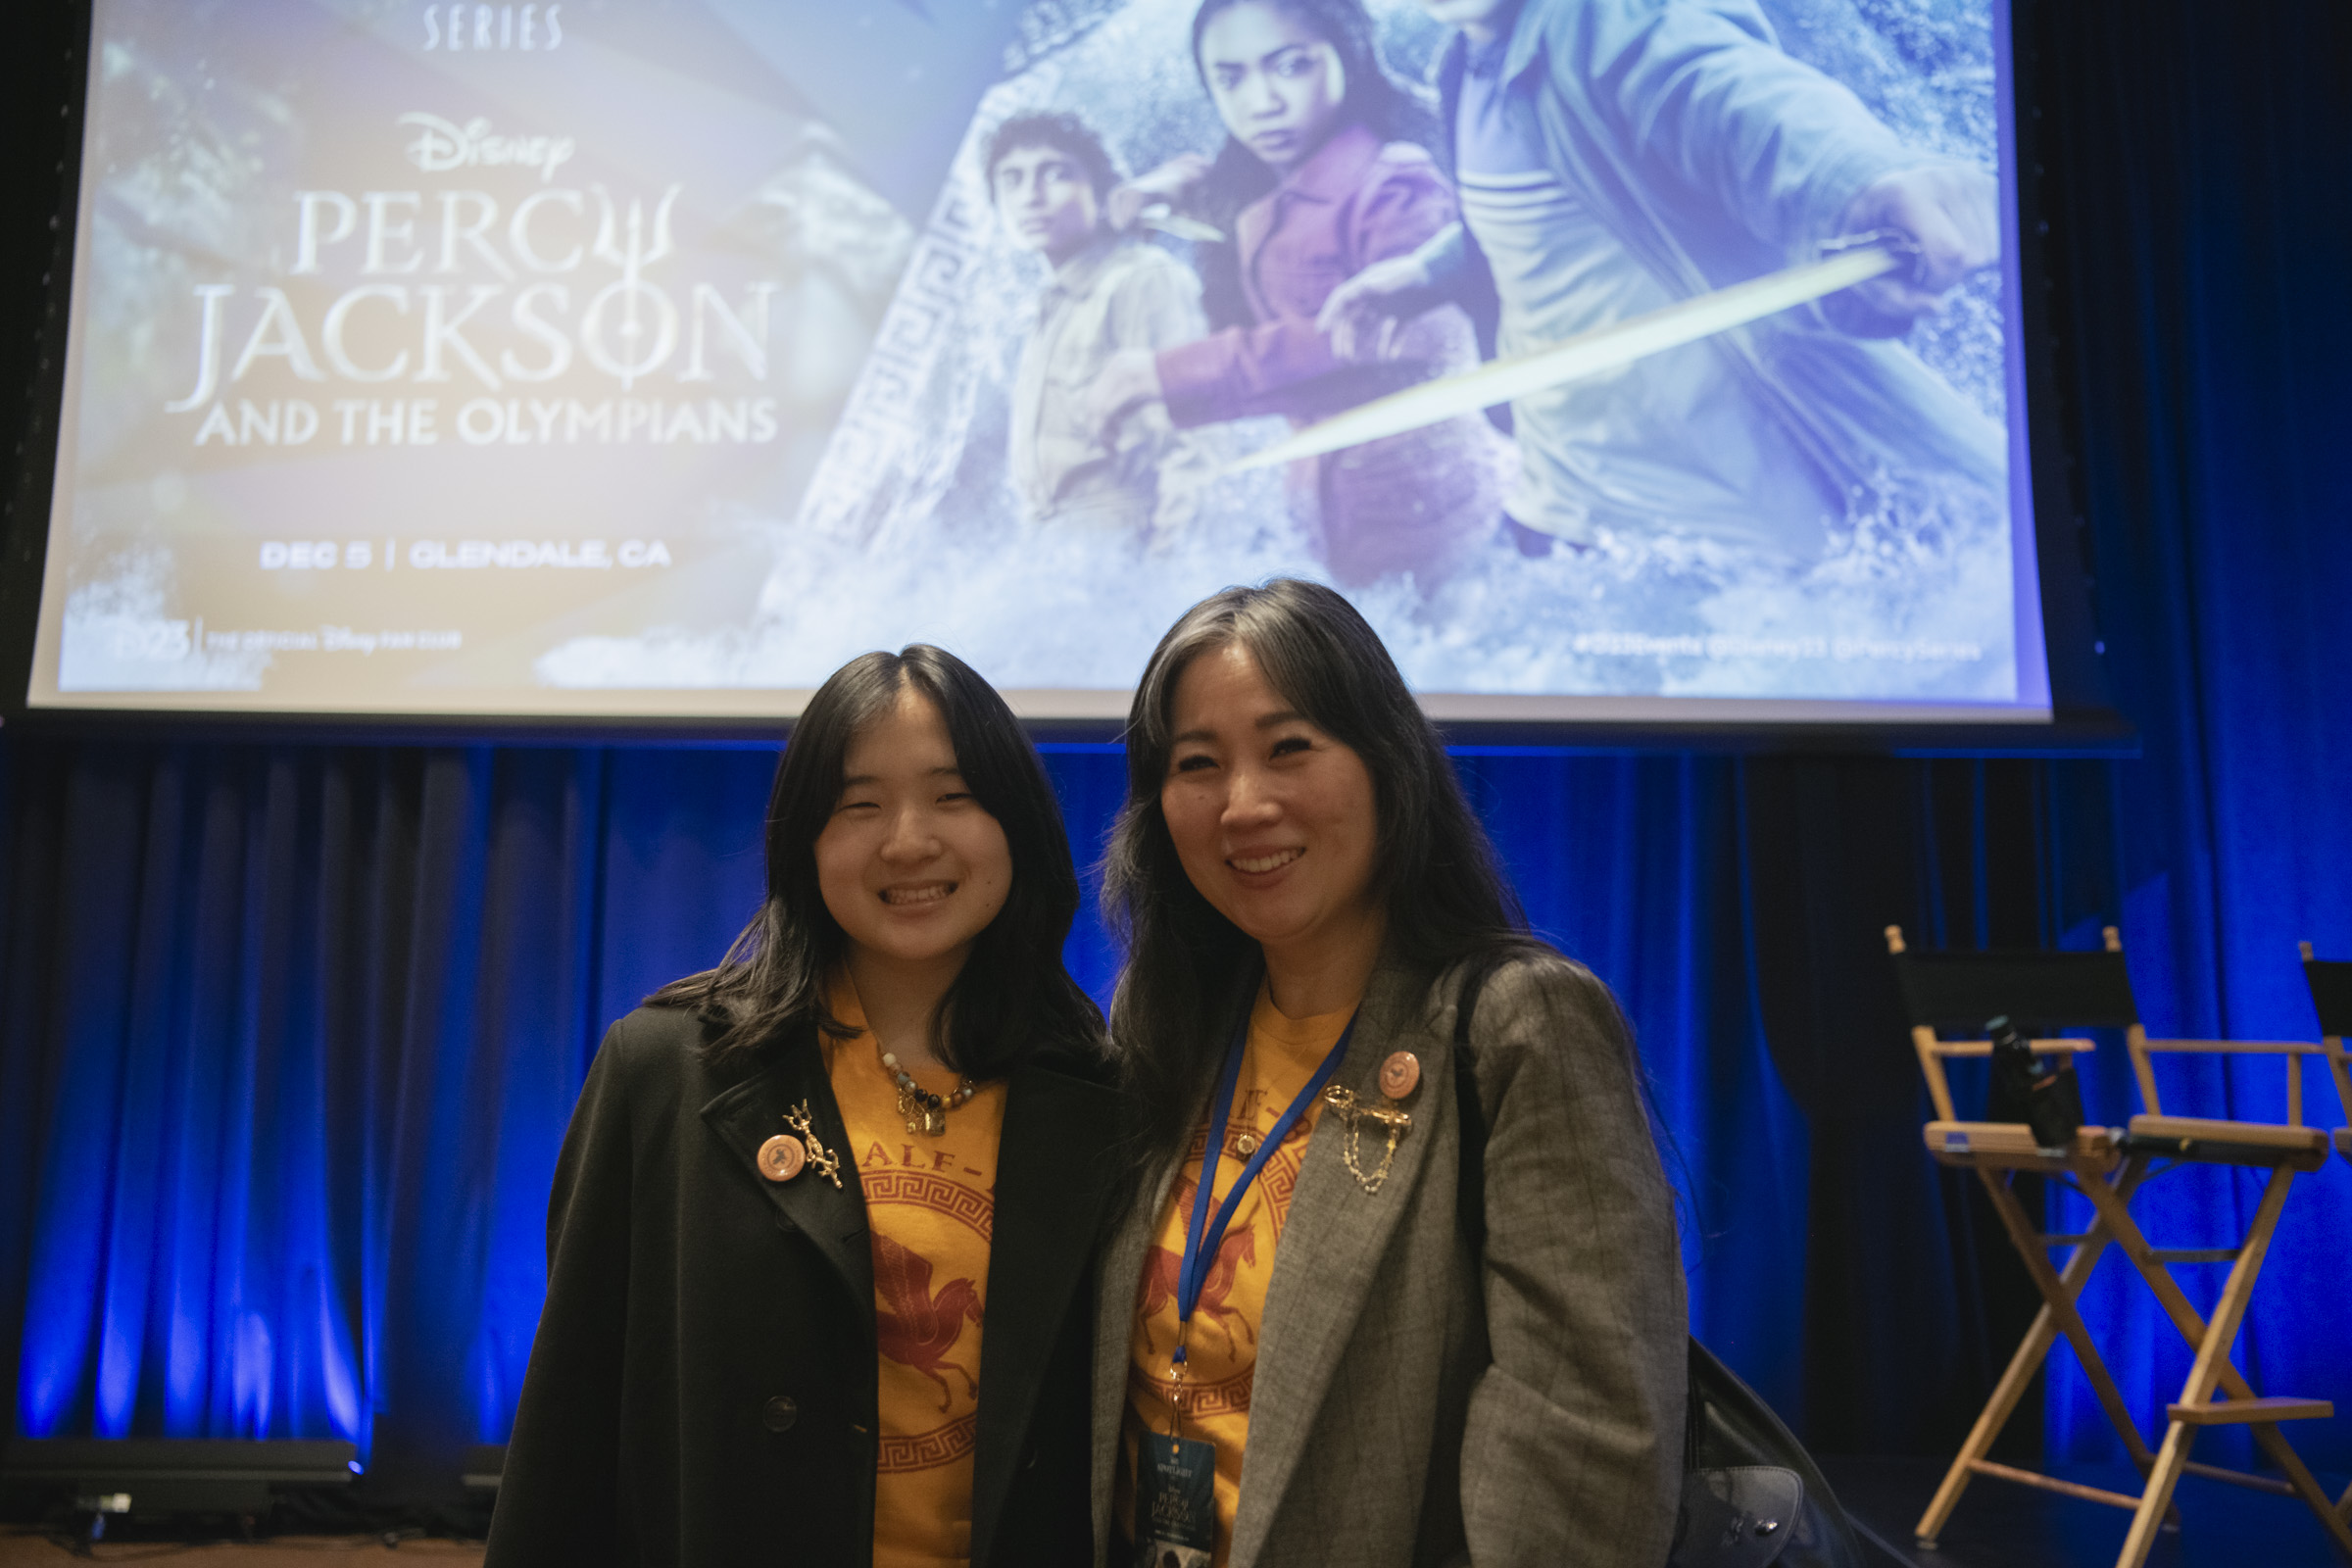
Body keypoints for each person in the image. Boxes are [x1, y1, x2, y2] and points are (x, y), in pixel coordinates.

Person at [1091, 579, 1685, 1566]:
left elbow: (1585, 1440)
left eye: (1290, 748)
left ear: (1385, 763)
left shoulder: (1515, 1023)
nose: (1244, 804)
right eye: (1198, 766)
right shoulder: (1165, 1034)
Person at [486, 646, 1117, 1568]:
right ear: (805, 842)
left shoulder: (1100, 1092)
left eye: (953, 796)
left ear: (1018, 824)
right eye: (859, 805)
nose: (908, 841)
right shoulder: (667, 1071)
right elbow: (568, 1423)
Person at [1316, 0, 2009, 564]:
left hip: (1707, 532)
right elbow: (1550, 208)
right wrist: (1427, 272)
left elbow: (1738, 101)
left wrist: (1859, 186)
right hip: (1561, 502)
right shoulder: (1466, 62)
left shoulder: (1618, 24)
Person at [1089, 0, 1504, 588]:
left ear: (1348, 56)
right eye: (1230, 79)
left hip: (1429, 513)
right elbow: (1268, 222)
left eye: (1290, 66)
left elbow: (1381, 334)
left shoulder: (1396, 183)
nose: (1262, 103)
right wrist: (1177, 187)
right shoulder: (1267, 184)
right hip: (1339, 512)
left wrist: (1168, 374)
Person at [988, 111, 1214, 547]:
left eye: (1055, 174)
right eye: (1011, 180)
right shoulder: (1048, 304)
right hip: (1056, 554)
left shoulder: (1141, 279)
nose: (1031, 196)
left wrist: (1171, 573)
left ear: (1100, 189)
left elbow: (1195, 444)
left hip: (1123, 544)